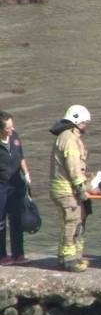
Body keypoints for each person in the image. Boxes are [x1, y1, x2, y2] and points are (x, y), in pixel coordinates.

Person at [49, 104, 91, 272]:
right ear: (76, 120)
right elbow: (73, 166)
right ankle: (69, 260)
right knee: (72, 221)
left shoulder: (67, 137)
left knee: (71, 221)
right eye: (84, 122)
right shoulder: (69, 139)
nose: (85, 126)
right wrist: (81, 187)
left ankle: (66, 256)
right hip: (66, 189)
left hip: (64, 187)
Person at [0, 111, 31, 265]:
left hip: (16, 184)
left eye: (12, 126)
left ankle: (18, 254)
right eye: (8, 128)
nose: (11, 130)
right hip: (1, 186)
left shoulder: (15, 137)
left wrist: (26, 174)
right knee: (0, 222)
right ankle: (2, 255)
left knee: (17, 219)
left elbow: (21, 157)